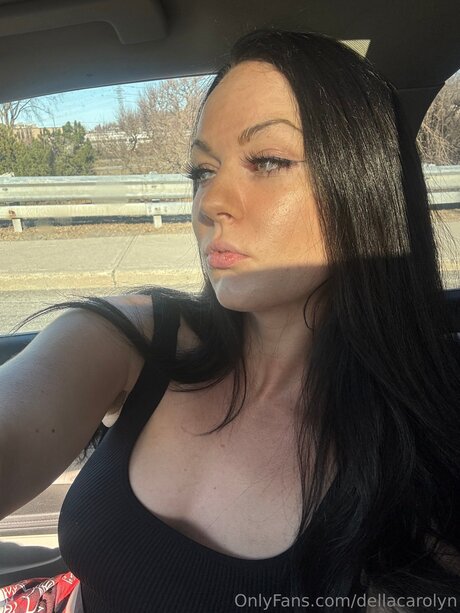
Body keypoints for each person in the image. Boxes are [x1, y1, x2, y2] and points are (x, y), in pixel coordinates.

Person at [1, 29, 459, 613]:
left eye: (266, 161)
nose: (210, 202)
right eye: (202, 171)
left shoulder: (426, 445)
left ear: (366, 184)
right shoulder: (135, 336)